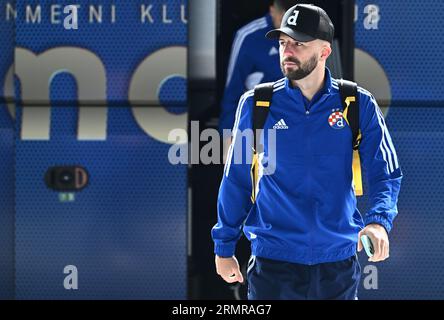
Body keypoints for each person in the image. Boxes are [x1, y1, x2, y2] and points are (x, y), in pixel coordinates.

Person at [211, 4, 402, 300]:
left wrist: (378, 221)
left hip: (337, 262)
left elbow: (385, 173)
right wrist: (223, 247)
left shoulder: (357, 103)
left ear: (324, 51)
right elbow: (236, 180)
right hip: (273, 263)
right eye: (284, 42)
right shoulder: (257, 104)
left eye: (298, 43)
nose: (288, 50)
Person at [219, 0, 300, 161]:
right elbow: (232, 93)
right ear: (272, 11)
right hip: (257, 129)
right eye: (283, 18)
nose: (289, 26)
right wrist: (228, 138)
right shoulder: (249, 37)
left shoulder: (311, 34)